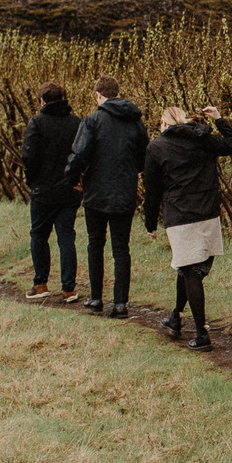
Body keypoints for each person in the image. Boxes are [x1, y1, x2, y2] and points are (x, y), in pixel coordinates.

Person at [142, 103, 232, 350]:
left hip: (180, 216)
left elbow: (152, 191)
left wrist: (150, 223)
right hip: (207, 212)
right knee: (188, 270)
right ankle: (176, 316)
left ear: (163, 123)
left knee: (190, 272)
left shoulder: (156, 147)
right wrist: (219, 118)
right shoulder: (201, 139)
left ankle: (201, 333)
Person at [64, 74, 147, 318]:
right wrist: (128, 173)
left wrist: (73, 178)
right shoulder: (135, 122)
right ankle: (120, 303)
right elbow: (143, 157)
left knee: (95, 244)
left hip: (96, 192)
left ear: (98, 96)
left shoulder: (92, 121)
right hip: (124, 190)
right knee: (121, 248)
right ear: (118, 94)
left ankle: (96, 298)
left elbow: (79, 154)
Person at [19, 82, 82, 302]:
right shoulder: (76, 122)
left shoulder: (37, 122)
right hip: (69, 190)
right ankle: (69, 288)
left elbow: (28, 156)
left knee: (39, 236)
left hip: (43, 191)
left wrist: (31, 181)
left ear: (42, 101)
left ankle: (40, 284)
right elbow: (82, 153)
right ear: (64, 98)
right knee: (66, 237)